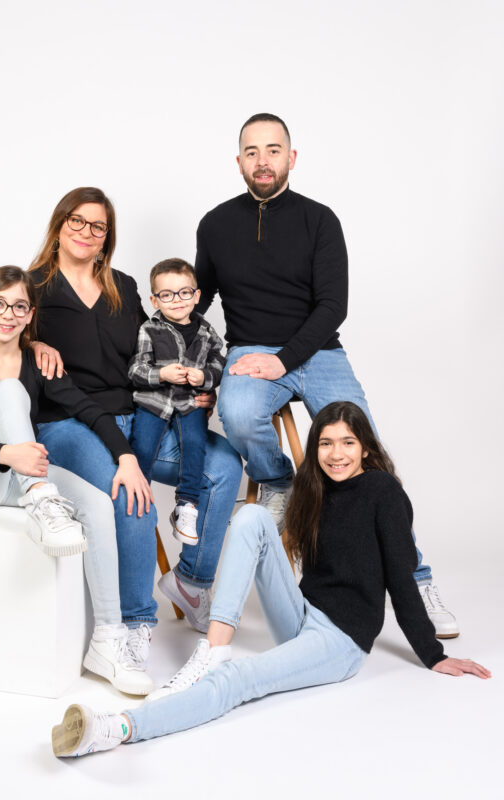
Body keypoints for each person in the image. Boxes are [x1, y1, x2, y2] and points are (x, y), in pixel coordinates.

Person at [51, 401, 489, 758]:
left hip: (340, 641)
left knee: (237, 682)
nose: (336, 454)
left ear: (366, 449)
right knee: (256, 516)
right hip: (301, 615)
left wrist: (432, 654)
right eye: (326, 443)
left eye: (348, 443)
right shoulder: (314, 490)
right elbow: (277, 552)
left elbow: (401, 576)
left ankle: (118, 729)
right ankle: (214, 646)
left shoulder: (384, 492)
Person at [194, 112, 459, 638]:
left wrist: (285, 359)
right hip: (251, 348)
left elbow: (333, 305)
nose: (262, 160)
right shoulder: (215, 223)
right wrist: (194, 369)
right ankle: (279, 483)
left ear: (291, 158)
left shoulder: (320, 219)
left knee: (369, 452)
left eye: (273, 150)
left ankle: (416, 577)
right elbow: (197, 301)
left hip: (318, 351)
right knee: (239, 412)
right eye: (252, 151)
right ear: (238, 161)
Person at [27, 188, 242, 647]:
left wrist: (195, 384)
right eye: (77, 221)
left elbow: (160, 343)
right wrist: (32, 344)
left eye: (98, 226)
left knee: (224, 468)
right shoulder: (32, 288)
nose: (87, 232)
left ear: (108, 237)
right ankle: (135, 623)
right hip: (69, 423)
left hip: (138, 415)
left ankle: (191, 582)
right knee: (134, 496)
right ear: (60, 224)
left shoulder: (121, 285)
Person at [0, 266, 153, 695]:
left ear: (29, 313)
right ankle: (41, 499)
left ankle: (108, 640)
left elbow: (88, 409)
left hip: (20, 474)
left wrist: (126, 457)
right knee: (7, 393)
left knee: (96, 503)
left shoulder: (37, 362)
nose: (8, 314)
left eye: (19, 306)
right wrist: (8, 454)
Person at [128, 258, 225, 546]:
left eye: (184, 293)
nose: (177, 301)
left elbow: (220, 363)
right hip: (153, 401)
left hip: (190, 402)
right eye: (166, 295)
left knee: (195, 444)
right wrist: (162, 373)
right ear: (154, 299)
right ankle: (138, 503)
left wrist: (204, 377)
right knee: (143, 446)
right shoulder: (150, 329)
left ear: (196, 296)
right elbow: (135, 370)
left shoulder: (207, 333)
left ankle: (187, 506)